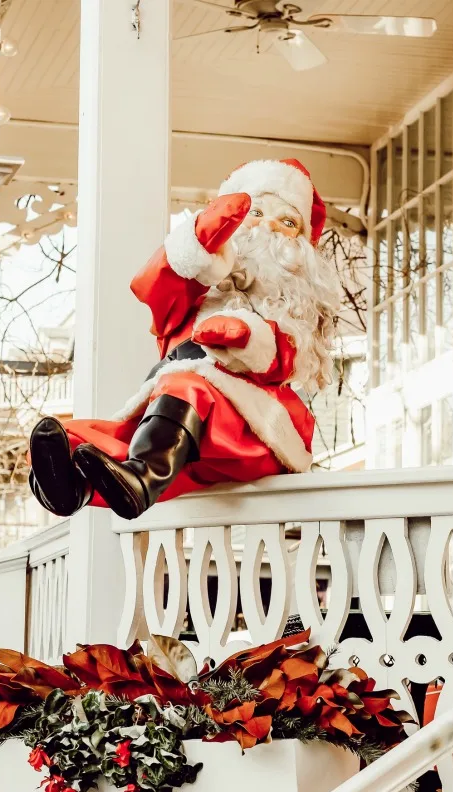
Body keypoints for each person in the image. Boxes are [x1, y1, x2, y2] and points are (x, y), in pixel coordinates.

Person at [29, 158, 340, 520]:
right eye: (255, 211)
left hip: (254, 429)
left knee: (187, 389)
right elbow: (154, 284)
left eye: (288, 222)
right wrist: (198, 243)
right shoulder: (195, 298)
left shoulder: (289, 314)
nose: (268, 226)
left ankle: (143, 479)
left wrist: (245, 337)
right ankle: (73, 490)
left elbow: (282, 356)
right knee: (82, 439)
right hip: (184, 431)